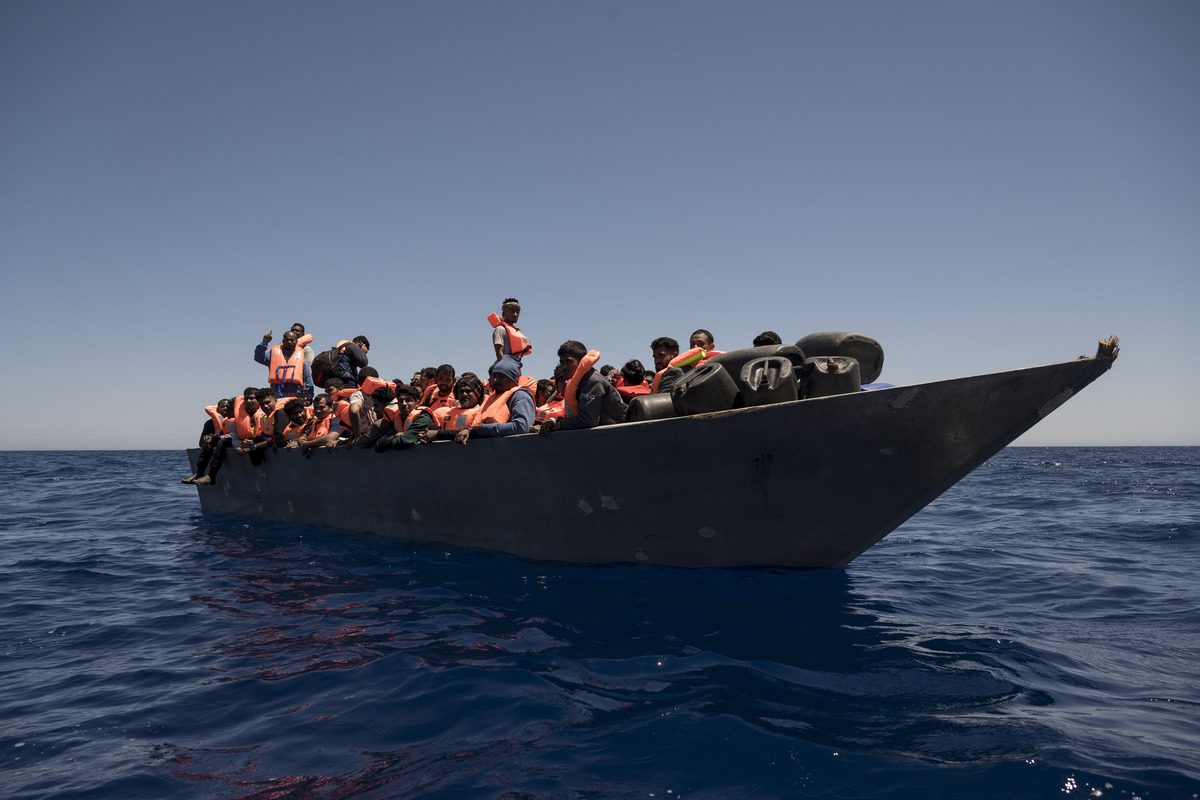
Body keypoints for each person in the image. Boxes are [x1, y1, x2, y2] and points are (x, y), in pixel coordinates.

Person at [540, 341, 627, 435]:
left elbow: (588, 420)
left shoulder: (592, 381)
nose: (564, 367)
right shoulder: (579, 382)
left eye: (569, 361)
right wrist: (555, 422)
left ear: (581, 361)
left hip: (617, 435)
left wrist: (560, 425)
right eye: (562, 362)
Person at [454, 356, 535, 444]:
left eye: (501, 377)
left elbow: (521, 427)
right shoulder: (493, 397)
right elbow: (480, 427)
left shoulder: (520, 396)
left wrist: (485, 429)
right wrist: (469, 431)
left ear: (514, 379)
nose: (496, 380)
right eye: (494, 376)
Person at [376, 383, 439, 450]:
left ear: (417, 403)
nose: (404, 404)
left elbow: (402, 442)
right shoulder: (398, 419)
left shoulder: (424, 418)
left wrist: (394, 438)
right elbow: (379, 445)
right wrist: (394, 437)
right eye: (401, 401)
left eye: (408, 400)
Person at [184, 398, 233, 484]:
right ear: (218, 409)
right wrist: (207, 440)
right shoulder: (210, 423)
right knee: (207, 443)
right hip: (217, 443)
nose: (225, 408)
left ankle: (210, 476)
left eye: (228, 407)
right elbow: (201, 442)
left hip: (231, 442)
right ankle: (199, 473)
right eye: (222, 406)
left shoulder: (236, 420)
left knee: (222, 441)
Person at [254, 329, 314, 399]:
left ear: (296, 341)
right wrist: (265, 341)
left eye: (292, 340)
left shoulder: (303, 360)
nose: (289, 342)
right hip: (276, 397)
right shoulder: (272, 357)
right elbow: (258, 357)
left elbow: (308, 381)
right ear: (283, 341)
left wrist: (309, 397)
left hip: (295, 398)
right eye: (287, 340)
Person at [489, 297, 532, 364]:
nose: (515, 314)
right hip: (504, 368)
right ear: (504, 313)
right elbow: (499, 352)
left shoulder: (516, 331)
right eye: (512, 311)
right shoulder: (500, 329)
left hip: (515, 365)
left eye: (517, 312)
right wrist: (505, 367)